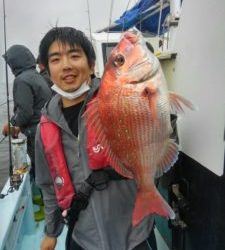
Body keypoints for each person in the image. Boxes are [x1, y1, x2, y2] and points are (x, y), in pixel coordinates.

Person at [35, 26, 155, 250]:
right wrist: (51, 233)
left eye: (74, 55)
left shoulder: (121, 102)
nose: (66, 65)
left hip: (135, 234)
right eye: (56, 59)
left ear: (91, 64)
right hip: (84, 236)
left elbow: (155, 153)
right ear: (47, 70)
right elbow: (49, 186)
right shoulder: (45, 126)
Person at [2, 44, 52, 221]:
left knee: (39, 172)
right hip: (46, 131)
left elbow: (25, 112)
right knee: (45, 169)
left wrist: (11, 124)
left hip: (36, 134)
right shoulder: (37, 76)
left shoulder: (21, 80)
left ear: (15, 64)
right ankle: (47, 203)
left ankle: (45, 210)